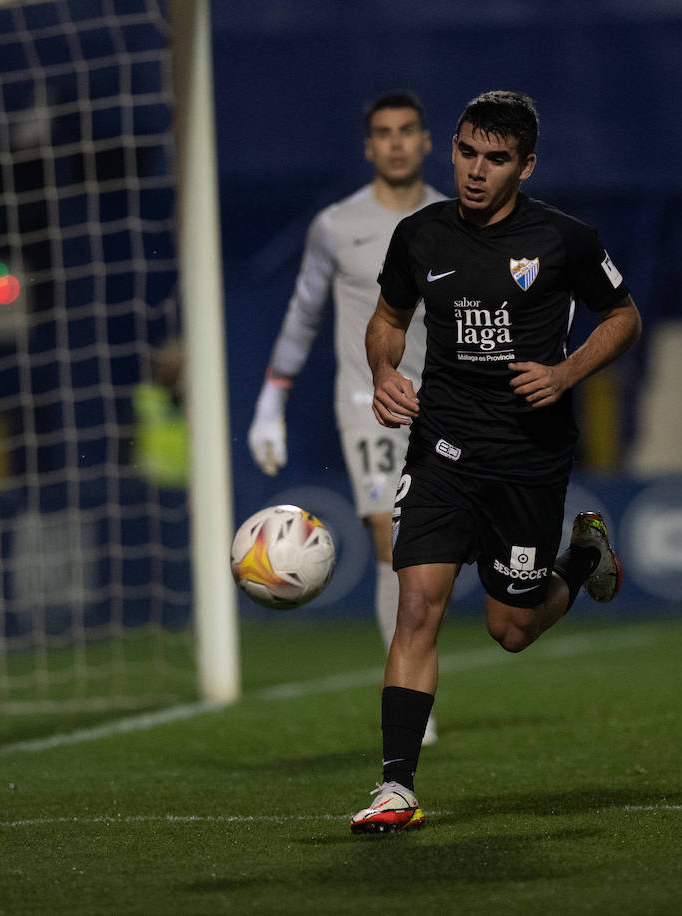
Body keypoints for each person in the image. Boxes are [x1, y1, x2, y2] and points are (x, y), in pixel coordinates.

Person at [350, 90, 643, 833]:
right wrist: (384, 374)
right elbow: (386, 321)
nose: (477, 171)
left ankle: (580, 559)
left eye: (498, 159)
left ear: (527, 165)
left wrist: (567, 372)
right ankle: (395, 787)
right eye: (468, 152)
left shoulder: (565, 239)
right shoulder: (419, 237)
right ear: (451, 148)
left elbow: (624, 316)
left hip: (527, 457)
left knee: (510, 630)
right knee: (417, 606)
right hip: (442, 445)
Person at [248, 91, 446, 743]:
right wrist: (271, 400)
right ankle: (411, 698)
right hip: (370, 404)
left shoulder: (458, 220)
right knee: (395, 541)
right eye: (382, 133)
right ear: (369, 147)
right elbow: (304, 312)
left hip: (449, 403)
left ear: (424, 141)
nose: (394, 142)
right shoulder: (336, 225)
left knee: (448, 555)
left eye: (406, 131)